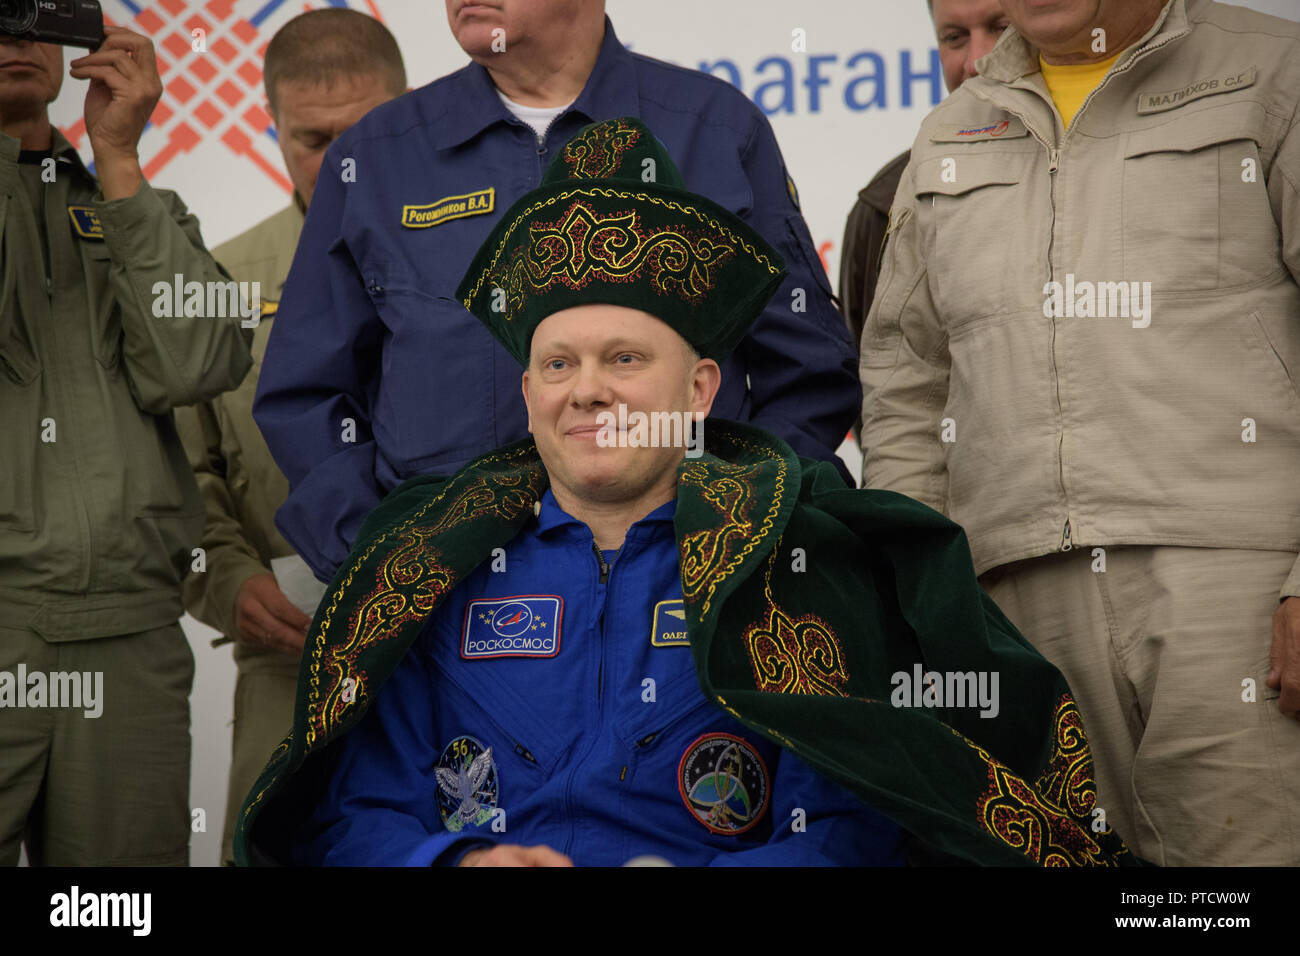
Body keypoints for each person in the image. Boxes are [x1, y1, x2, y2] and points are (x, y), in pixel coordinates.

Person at [235, 119, 1134, 868]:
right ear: (528, 394)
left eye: (624, 359)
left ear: (699, 391)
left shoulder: (789, 564)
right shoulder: (429, 570)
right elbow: (353, 819)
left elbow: (851, 830)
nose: (587, 390)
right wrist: (456, 863)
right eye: (559, 364)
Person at [860, 0, 1300, 865]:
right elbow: (909, 384)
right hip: (1012, 606)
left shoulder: (1272, 72)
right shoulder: (952, 127)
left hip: (1236, 588)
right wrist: (917, 607)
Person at [251, 0, 861, 588]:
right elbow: (305, 396)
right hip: (452, 614)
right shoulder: (374, 156)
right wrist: (385, 561)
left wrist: (735, 537)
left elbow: (807, 374)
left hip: (679, 602)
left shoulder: (716, 129)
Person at [0, 26, 252, 865]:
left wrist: (118, 162)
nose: (17, 37)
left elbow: (199, 362)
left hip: (129, 637)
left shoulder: (131, 203)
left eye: (39, 16)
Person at [174, 8, 406, 868]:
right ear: (269, 131)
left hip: (480, 630)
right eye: (314, 139)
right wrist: (227, 581)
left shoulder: (492, 256)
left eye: (366, 131)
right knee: (268, 851)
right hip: (291, 655)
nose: (342, 161)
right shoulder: (217, 288)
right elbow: (177, 477)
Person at [839, 0, 1009, 365]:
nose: (976, 61)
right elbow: (880, 393)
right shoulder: (883, 206)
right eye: (954, 37)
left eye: (1001, 28)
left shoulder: (1112, 161)